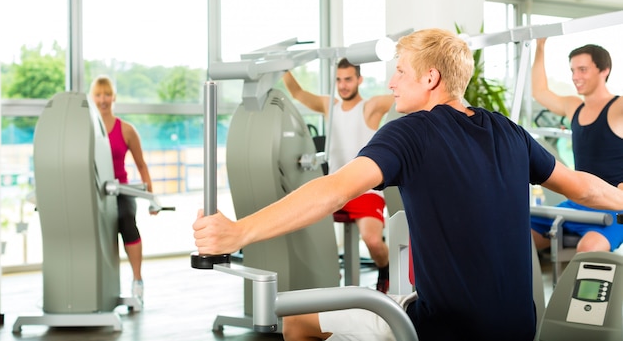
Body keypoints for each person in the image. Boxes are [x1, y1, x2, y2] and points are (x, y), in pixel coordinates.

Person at [193, 28, 623, 341]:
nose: (393, 82)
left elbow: (335, 189)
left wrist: (238, 231)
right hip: (517, 327)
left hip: (445, 330)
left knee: (298, 322)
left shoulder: (410, 131)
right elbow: (584, 188)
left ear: (431, 78)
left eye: (400, 71)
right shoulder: (508, 131)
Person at [282, 59, 394, 292]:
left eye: (348, 79)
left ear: (359, 80)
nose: (343, 85)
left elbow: (406, 98)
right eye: (339, 80)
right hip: (334, 189)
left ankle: (387, 268)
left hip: (365, 189)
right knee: (303, 227)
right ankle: (329, 274)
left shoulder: (370, 106)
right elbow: (297, 92)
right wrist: (283, 66)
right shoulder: (328, 105)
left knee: (373, 241)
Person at [530, 38, 623, 253]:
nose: (575, 77)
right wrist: (540, 47)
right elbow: (540, 92)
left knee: (588, 249)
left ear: (604, 70)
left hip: (614, 207)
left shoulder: (618, 107)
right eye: (572, 70)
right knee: (517, 237)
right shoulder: (574, 106)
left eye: (582, 70)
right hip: (577, 203)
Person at [90, 75, 154, 302]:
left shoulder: (126, 130)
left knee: (126, 219)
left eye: (107, 94)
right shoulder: (87, 129)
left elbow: (142, 165)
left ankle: (137, 280)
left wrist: (151, 197)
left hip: (121, 190)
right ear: (92, 97)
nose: (103, 99)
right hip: (94, 192)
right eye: (98, 95)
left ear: (114, 97)